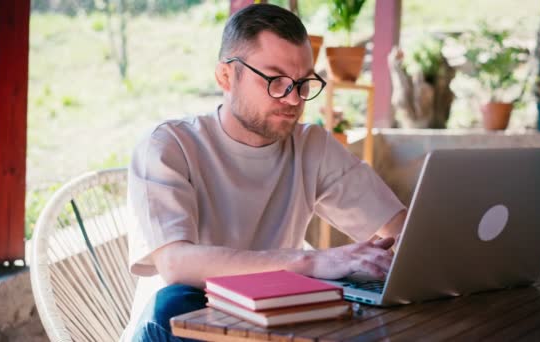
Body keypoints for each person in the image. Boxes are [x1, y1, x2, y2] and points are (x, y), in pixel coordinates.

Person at [124, 4, 407, 341]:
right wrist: (312, 263)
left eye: (303, 84)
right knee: (175, 301)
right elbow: (176, 264)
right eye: (276, 81)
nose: (293, 99)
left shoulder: (311, 146)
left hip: (267, 326)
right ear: (226, 77)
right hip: (178, 328)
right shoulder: (170, 146)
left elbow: (402, 230)